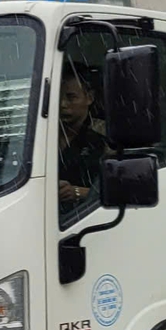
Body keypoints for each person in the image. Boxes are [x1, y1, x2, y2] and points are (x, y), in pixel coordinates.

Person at [56, 66, 110, 219]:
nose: (63, 104)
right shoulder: (43, 137)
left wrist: (78, 192)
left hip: (92, 217)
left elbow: (121, 189)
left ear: (89, 97)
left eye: (71, 97)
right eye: (58, 97)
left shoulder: (106, 136)